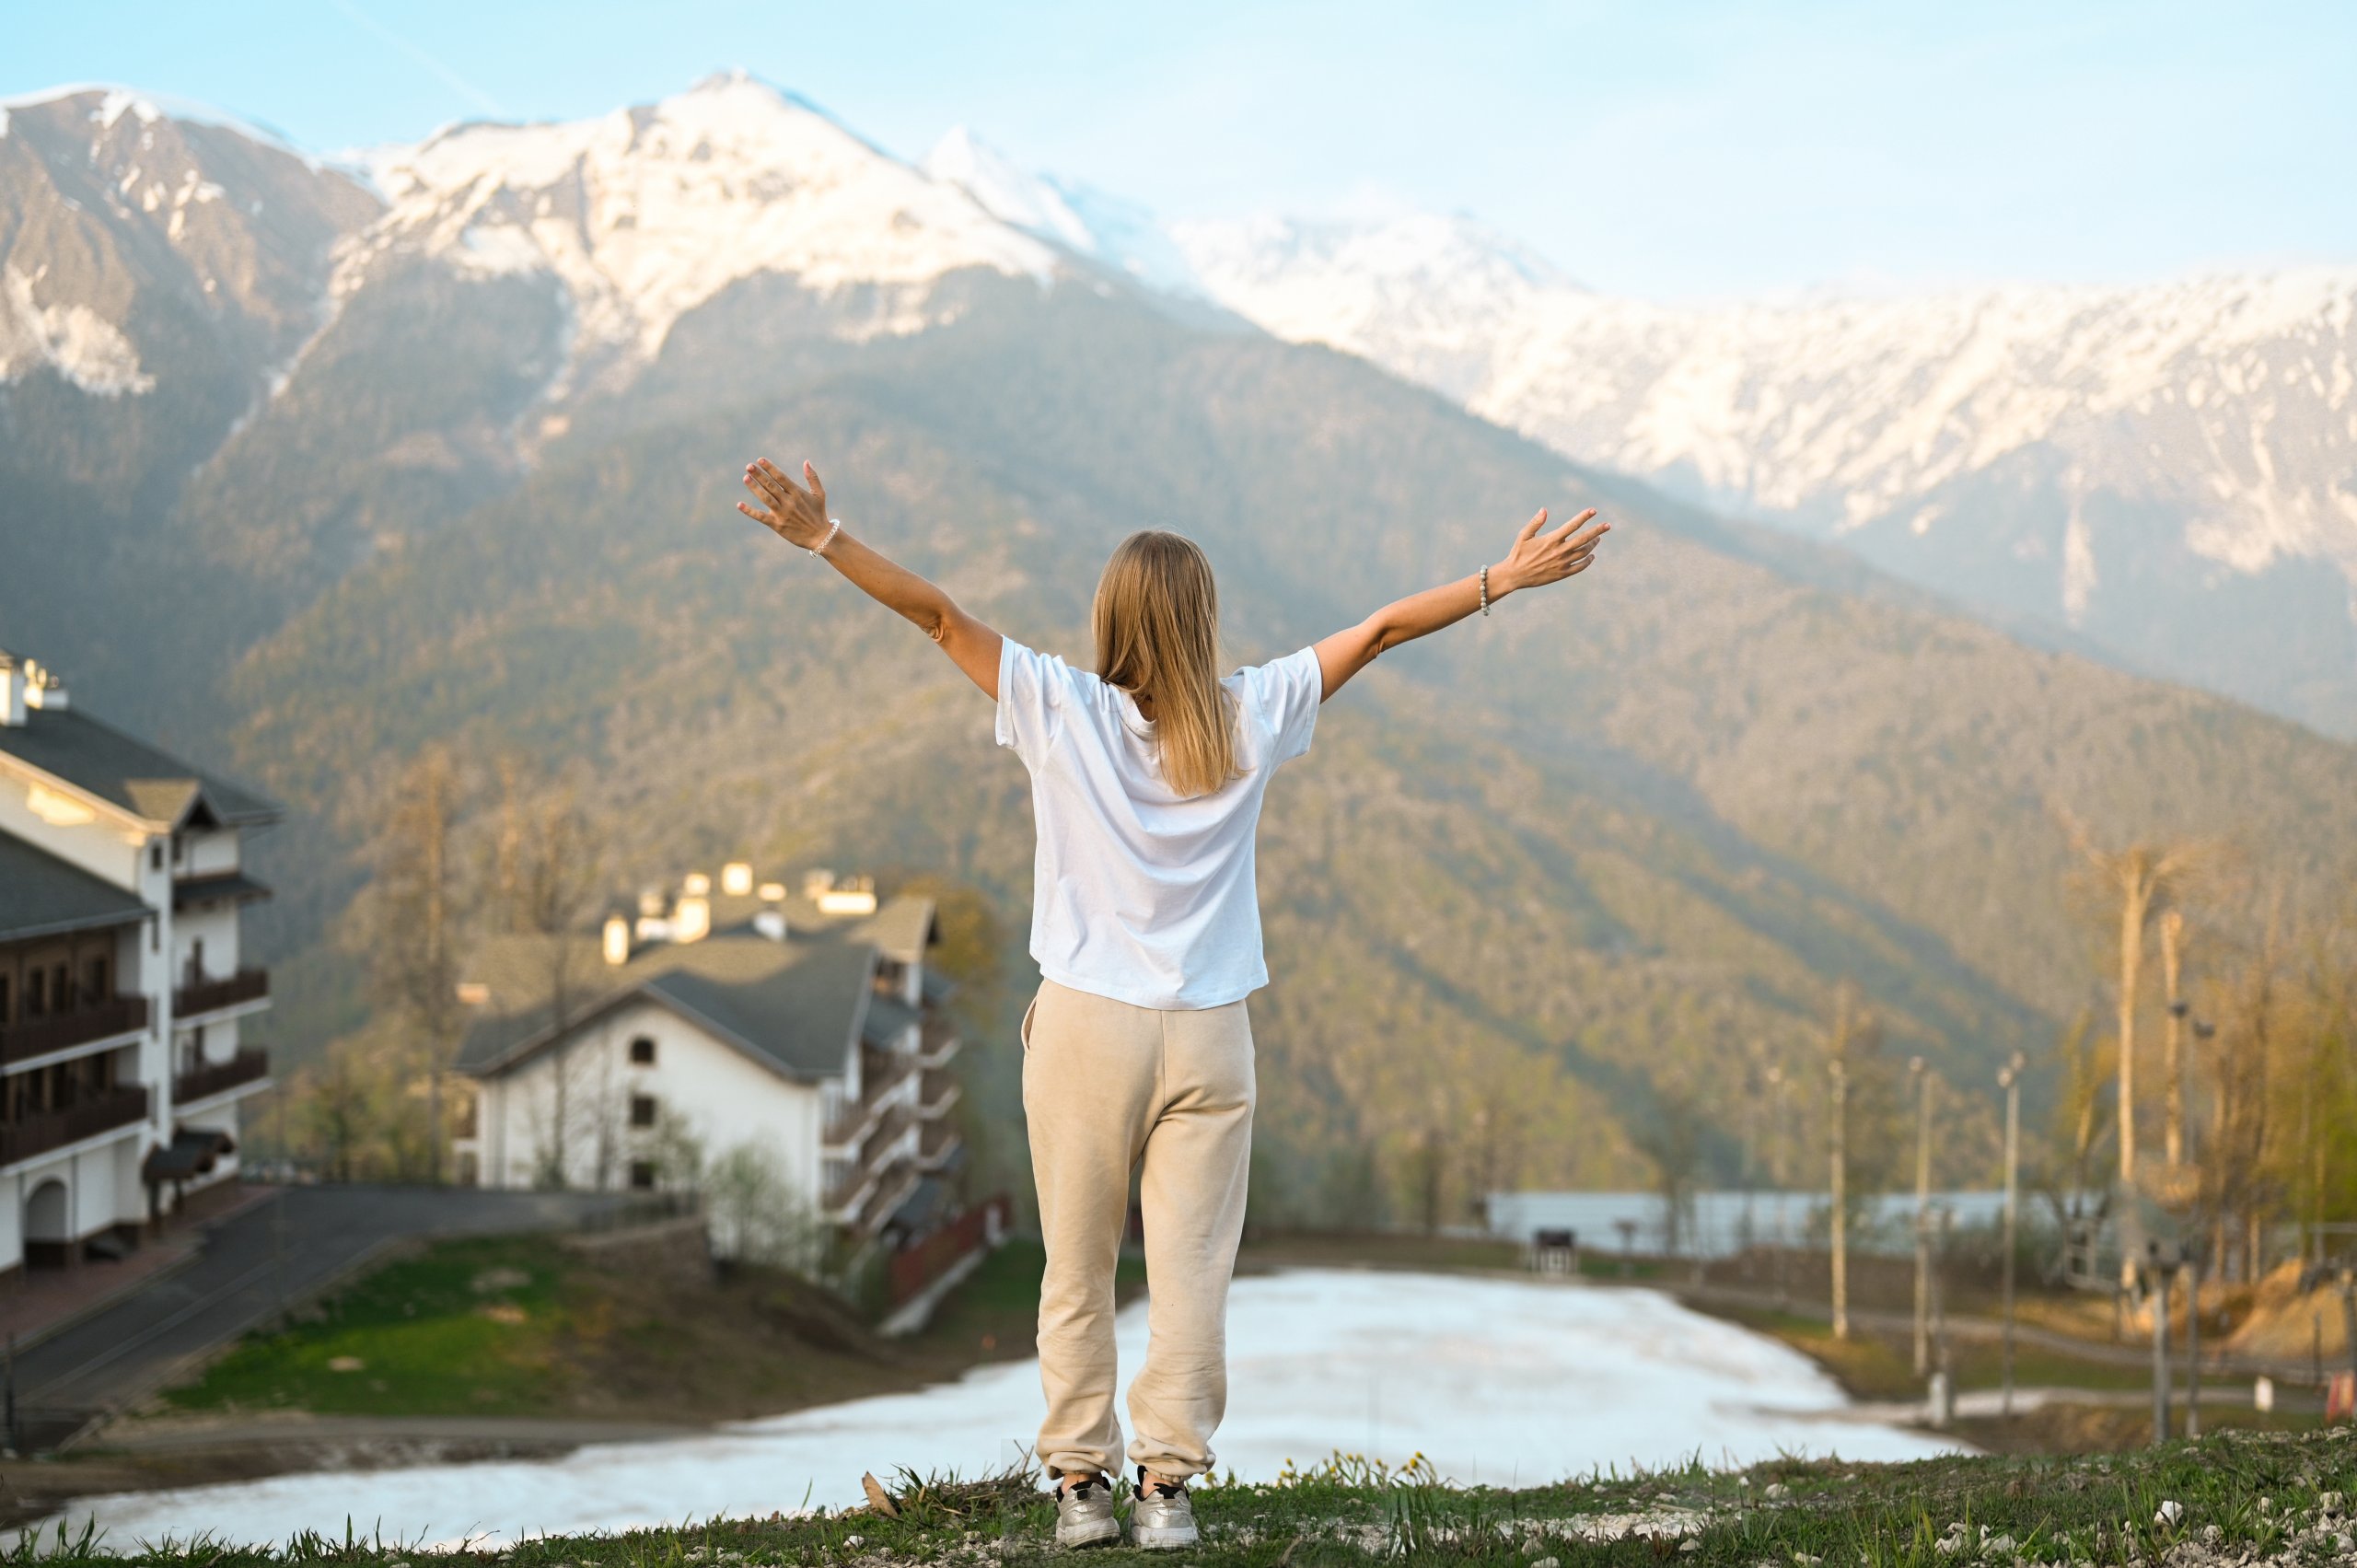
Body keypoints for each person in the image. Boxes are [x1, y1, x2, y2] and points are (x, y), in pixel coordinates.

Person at [737, 457, 1609, 1548]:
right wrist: (1501, 579)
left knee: (1078, 1264)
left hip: (1087, 1029)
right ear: (1203, 622)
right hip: (1209, 1035)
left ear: (1111, 616)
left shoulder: (1060, 705)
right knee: (1191, 1271)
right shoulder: (1251, 713)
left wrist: (825, 537)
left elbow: (935, 614)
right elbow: (1382, 628)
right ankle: (1167, 1492)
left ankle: (1081, 1488)